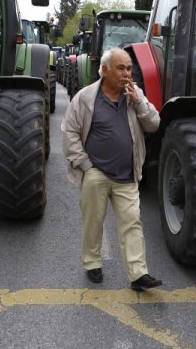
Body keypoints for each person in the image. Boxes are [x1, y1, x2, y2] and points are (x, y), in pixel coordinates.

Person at [61, 48, 162, 291]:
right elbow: (69, 131)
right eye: (121, 68)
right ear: (105, 70)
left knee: (132, 222)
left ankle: (138, 275)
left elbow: (154, 124)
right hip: (95, 172)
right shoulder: (86, 98)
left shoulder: (134, 95)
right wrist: (85, 164)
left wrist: (139, 103)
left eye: (129, 68)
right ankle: (92, 263)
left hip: (126, 174)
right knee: (93, 222)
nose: (127, 73)